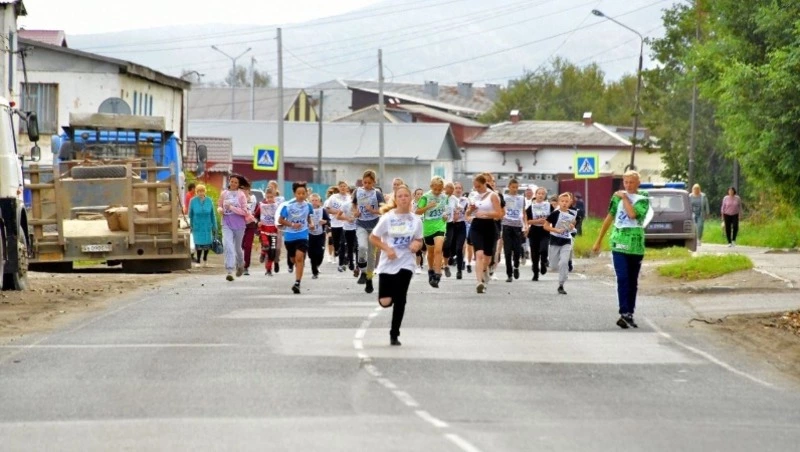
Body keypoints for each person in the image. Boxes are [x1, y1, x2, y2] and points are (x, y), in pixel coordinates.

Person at [592, 170, 650, 329]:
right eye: (626, 182)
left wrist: (625, 198)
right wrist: (599, 240)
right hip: (618, 242)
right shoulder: (616, 199)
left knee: (632, 281)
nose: (628, 185)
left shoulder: (643, 198)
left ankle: (629, 313)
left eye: (632, 182)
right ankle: (624, 312)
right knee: (622, 278)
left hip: (636, 245)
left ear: (638, 183)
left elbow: (632, 215)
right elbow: (608, 219)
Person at [370, 184, 423, 346]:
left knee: (401, 298)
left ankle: (394, 333)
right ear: (395, 199)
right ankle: (388, 297)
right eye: (400, 196)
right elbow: (373, 237)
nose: (403, 198)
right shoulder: (387, 218)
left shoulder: (416, 220)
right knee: (385, 301)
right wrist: (387, 249)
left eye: (406, 195)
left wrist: (417, 244)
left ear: (411, 198)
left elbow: (419, 239)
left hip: (406, 262)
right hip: (388, 263)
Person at [466, 174, 504, 294]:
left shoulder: (493, 195)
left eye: (478, 186)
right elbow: (467, 213)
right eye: (475, 186)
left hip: (490, 226)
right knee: (479, 255)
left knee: (487, 256)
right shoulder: (474, 196)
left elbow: (499, 214)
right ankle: (479, 282)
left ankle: (485, 270)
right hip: (477, 226)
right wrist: (471, 211)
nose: (476, 188)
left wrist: (486, 214)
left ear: (484, 184)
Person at [278, 182, 315, 294]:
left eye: (303, 193)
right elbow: (281, 220)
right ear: (294, 194)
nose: (301, 195)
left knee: (300, 258)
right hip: (289, 236)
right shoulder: (288, 206)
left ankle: (297, 283)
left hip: (303, 234)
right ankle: (295, 264)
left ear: (306, 194)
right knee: (294, 259)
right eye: (299, 193)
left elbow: (309, 217)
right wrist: (292, 225)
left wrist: (311, 224)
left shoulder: (308, 206)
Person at [352, 170, 384, 294]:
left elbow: (383, 209)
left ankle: (368, 279)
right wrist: (356, 212)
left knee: (371, 256)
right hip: (361, 224)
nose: (366, 185)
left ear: (374, 182)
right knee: (362, 247)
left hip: (375, 226)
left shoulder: (377, 194)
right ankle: (362, 267)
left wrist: (373, 211)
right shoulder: (358, 191)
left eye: (369, 183)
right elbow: (354, 204)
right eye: (364, 182)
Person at [416, 176, 448, 288]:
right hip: (428, 227)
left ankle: (438, 274)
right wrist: (427, 207)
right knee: (431, 253)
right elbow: (417, 211)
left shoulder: (444, 197)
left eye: (440, 189)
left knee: (438, 250)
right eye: (435, 190)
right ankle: (430, 270)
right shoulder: (425, 197)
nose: (438, 192)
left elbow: (446, 210)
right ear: (431, 187)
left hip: (440, 225)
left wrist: (445, 216)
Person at [217, 175, 251, 281]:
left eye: (236, 182)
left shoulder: (241, 195)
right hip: (226, 223)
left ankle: (241, 263)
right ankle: (229, 270)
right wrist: (220, 210)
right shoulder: (224, 193)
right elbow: (219, 205)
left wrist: (231, 208)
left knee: (237, 248)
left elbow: (245, 212)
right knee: (228, 245)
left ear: (238, 184)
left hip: (239, 225)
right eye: (232, 181)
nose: (233, 184)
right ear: (229, 182)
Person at [543, 193, 577, 295]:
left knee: (563, 262)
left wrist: (571, 227)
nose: (564, 203)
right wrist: (555, 230)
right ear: (558, 202)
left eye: (567, 201)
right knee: (553, 265)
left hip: (566, 240)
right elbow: (545, 226)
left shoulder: (572, 214)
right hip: (555, 240)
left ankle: (561, 284)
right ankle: (562, 270)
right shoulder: (555, 214)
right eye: (562, 201)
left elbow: (572, 225)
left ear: (570, 202)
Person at [501, 179, 527, 282]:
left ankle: (516, 266)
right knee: (507, 251)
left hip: (518, 227)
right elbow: (501, 210)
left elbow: (524, 213)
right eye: (513, 187)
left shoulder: (521, 198)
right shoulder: (504, 197)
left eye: (517, 187)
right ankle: (509, 274)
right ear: (509, 187)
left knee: (516, 250)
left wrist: (525, 226)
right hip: (507, 225)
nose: (515, 189)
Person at [526, 187, 552, 281]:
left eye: (542, 194)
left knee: (544, 249)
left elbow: (555, 216)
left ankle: (544, 262)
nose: (540, 195)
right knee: (535, 254)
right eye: (539, 193)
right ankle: (535, 273)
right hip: (534, 231)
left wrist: (547, 221)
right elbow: (527, 221)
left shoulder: (548, 205)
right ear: (535, 195)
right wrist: (537, 221)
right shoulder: (531, 207)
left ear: (545, 196)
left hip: (544, 230)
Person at [443, 181, 468, 280]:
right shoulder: (448, 199)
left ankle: (459, 271)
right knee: (449, 247)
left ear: (462, 190)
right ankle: (450, 258)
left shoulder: (465, 200)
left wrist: (464, 212)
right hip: (451, 225)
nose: (457, 190)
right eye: (456, 188)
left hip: (461, 225)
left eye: (459, 188)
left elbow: (468, 211)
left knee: (459, 248)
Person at [188, 184, 216, 268]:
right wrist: (190, 225)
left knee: (207, 243)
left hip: (207, 225)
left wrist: (214, 226)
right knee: (198, 244)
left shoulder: (209, 200)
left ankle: (205, 259)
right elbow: (190, 214)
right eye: (199, 191)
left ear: (205, 192)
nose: (201, 193)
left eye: (202, 191)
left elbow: (212, 214)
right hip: (197, 225)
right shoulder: (193, 201)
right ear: (196, 192)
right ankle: (198, 260)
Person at [256, 188, 279, 276]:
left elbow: (282, 217)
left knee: (272, 252)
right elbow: (256, 216)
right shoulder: (262, 205)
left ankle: (269, 269)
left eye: (271, 197)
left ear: (275, 197)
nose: (269, 199)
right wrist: (258, 222)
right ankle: (263, 252)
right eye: (268, 197)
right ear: (265, 197)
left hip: (274, 232)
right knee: (266, 246)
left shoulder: (277, 206)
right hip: (264, 231)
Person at [308, 193, 330, 279]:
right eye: (312, 200)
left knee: (320, 253)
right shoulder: (307, 210)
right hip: (310, 234)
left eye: (316, 200)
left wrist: (324, 222)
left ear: (320, 202)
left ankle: (317, 265)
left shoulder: (322, 210)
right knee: (311, 254)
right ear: (309, 202)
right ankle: (315, 272)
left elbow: (328, 220)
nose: (314, 202)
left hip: (320, 234)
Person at [269, 180, 286, 273]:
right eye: (269, 187)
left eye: (272, 187)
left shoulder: (281, 199)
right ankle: (269, 265)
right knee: (269, 245)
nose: (270, 188)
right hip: (268, 224)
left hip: (278, 225)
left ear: (276, 189)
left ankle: (276, 261)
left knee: (278, 246)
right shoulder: (266, 197)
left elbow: (283, 210)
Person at [241, 184, 259, 276]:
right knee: (241, 245)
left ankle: (246, 266)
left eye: (246, 190)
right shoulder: (237, 200)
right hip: (239, 225)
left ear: (249, 190)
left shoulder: (253, 199)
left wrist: (258, 221)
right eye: (242, 190)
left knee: (248, 246)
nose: (244, 192)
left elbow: (257, 212)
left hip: (250, 226)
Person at [413, 188, 426, 274]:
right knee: (417, 246)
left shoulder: (425, 203)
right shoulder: (412, 203)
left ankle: (422, 262)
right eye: (418, 194)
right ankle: (417, 265)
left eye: (421, 194)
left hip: (424, 226)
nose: (420, 195)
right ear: (415, 195)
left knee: (424, 247)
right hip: (415, 226)